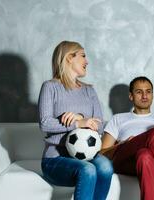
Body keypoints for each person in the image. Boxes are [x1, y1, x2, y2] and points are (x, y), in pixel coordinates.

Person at [38, 41, 113, 200]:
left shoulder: (89, 90)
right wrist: (77, 123)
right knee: (87, 170)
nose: (87, 61)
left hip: (87, 155)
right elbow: (45, 123)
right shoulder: (50, 87)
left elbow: (99, 127)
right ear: (69, 58)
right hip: (55, 159)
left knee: (106, 167)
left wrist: (81, 117)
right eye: (83, 56)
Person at [101, 76, 154, 200]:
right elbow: (102, 154)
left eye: (148, 91)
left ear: (152, 95)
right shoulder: (118, 118)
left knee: (145, 156)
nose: (145, 96)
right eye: (139, 92)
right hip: (125, 159)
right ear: (131, 96)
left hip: (149, 162)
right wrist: (123, 144)